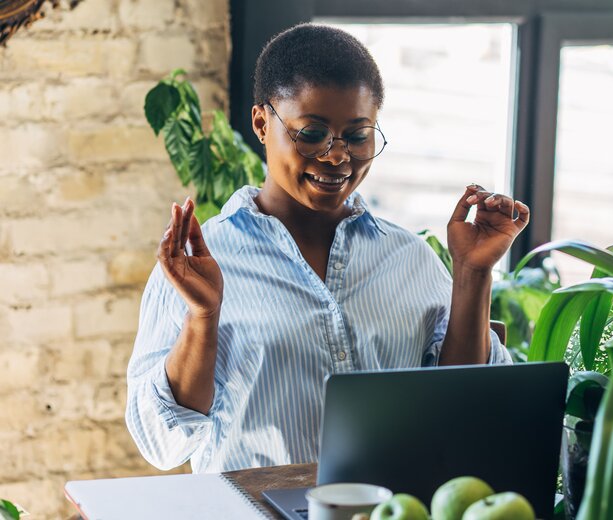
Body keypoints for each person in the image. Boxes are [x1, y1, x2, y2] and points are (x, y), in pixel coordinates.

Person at [125, 23, 530, 473]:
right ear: (262, 123)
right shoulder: (200, 263)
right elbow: (163, 442)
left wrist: (473, 273)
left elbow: (462, 410)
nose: (338, 156)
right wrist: (203, 320)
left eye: (358, 136)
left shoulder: (409, 258)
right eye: (312, 133)